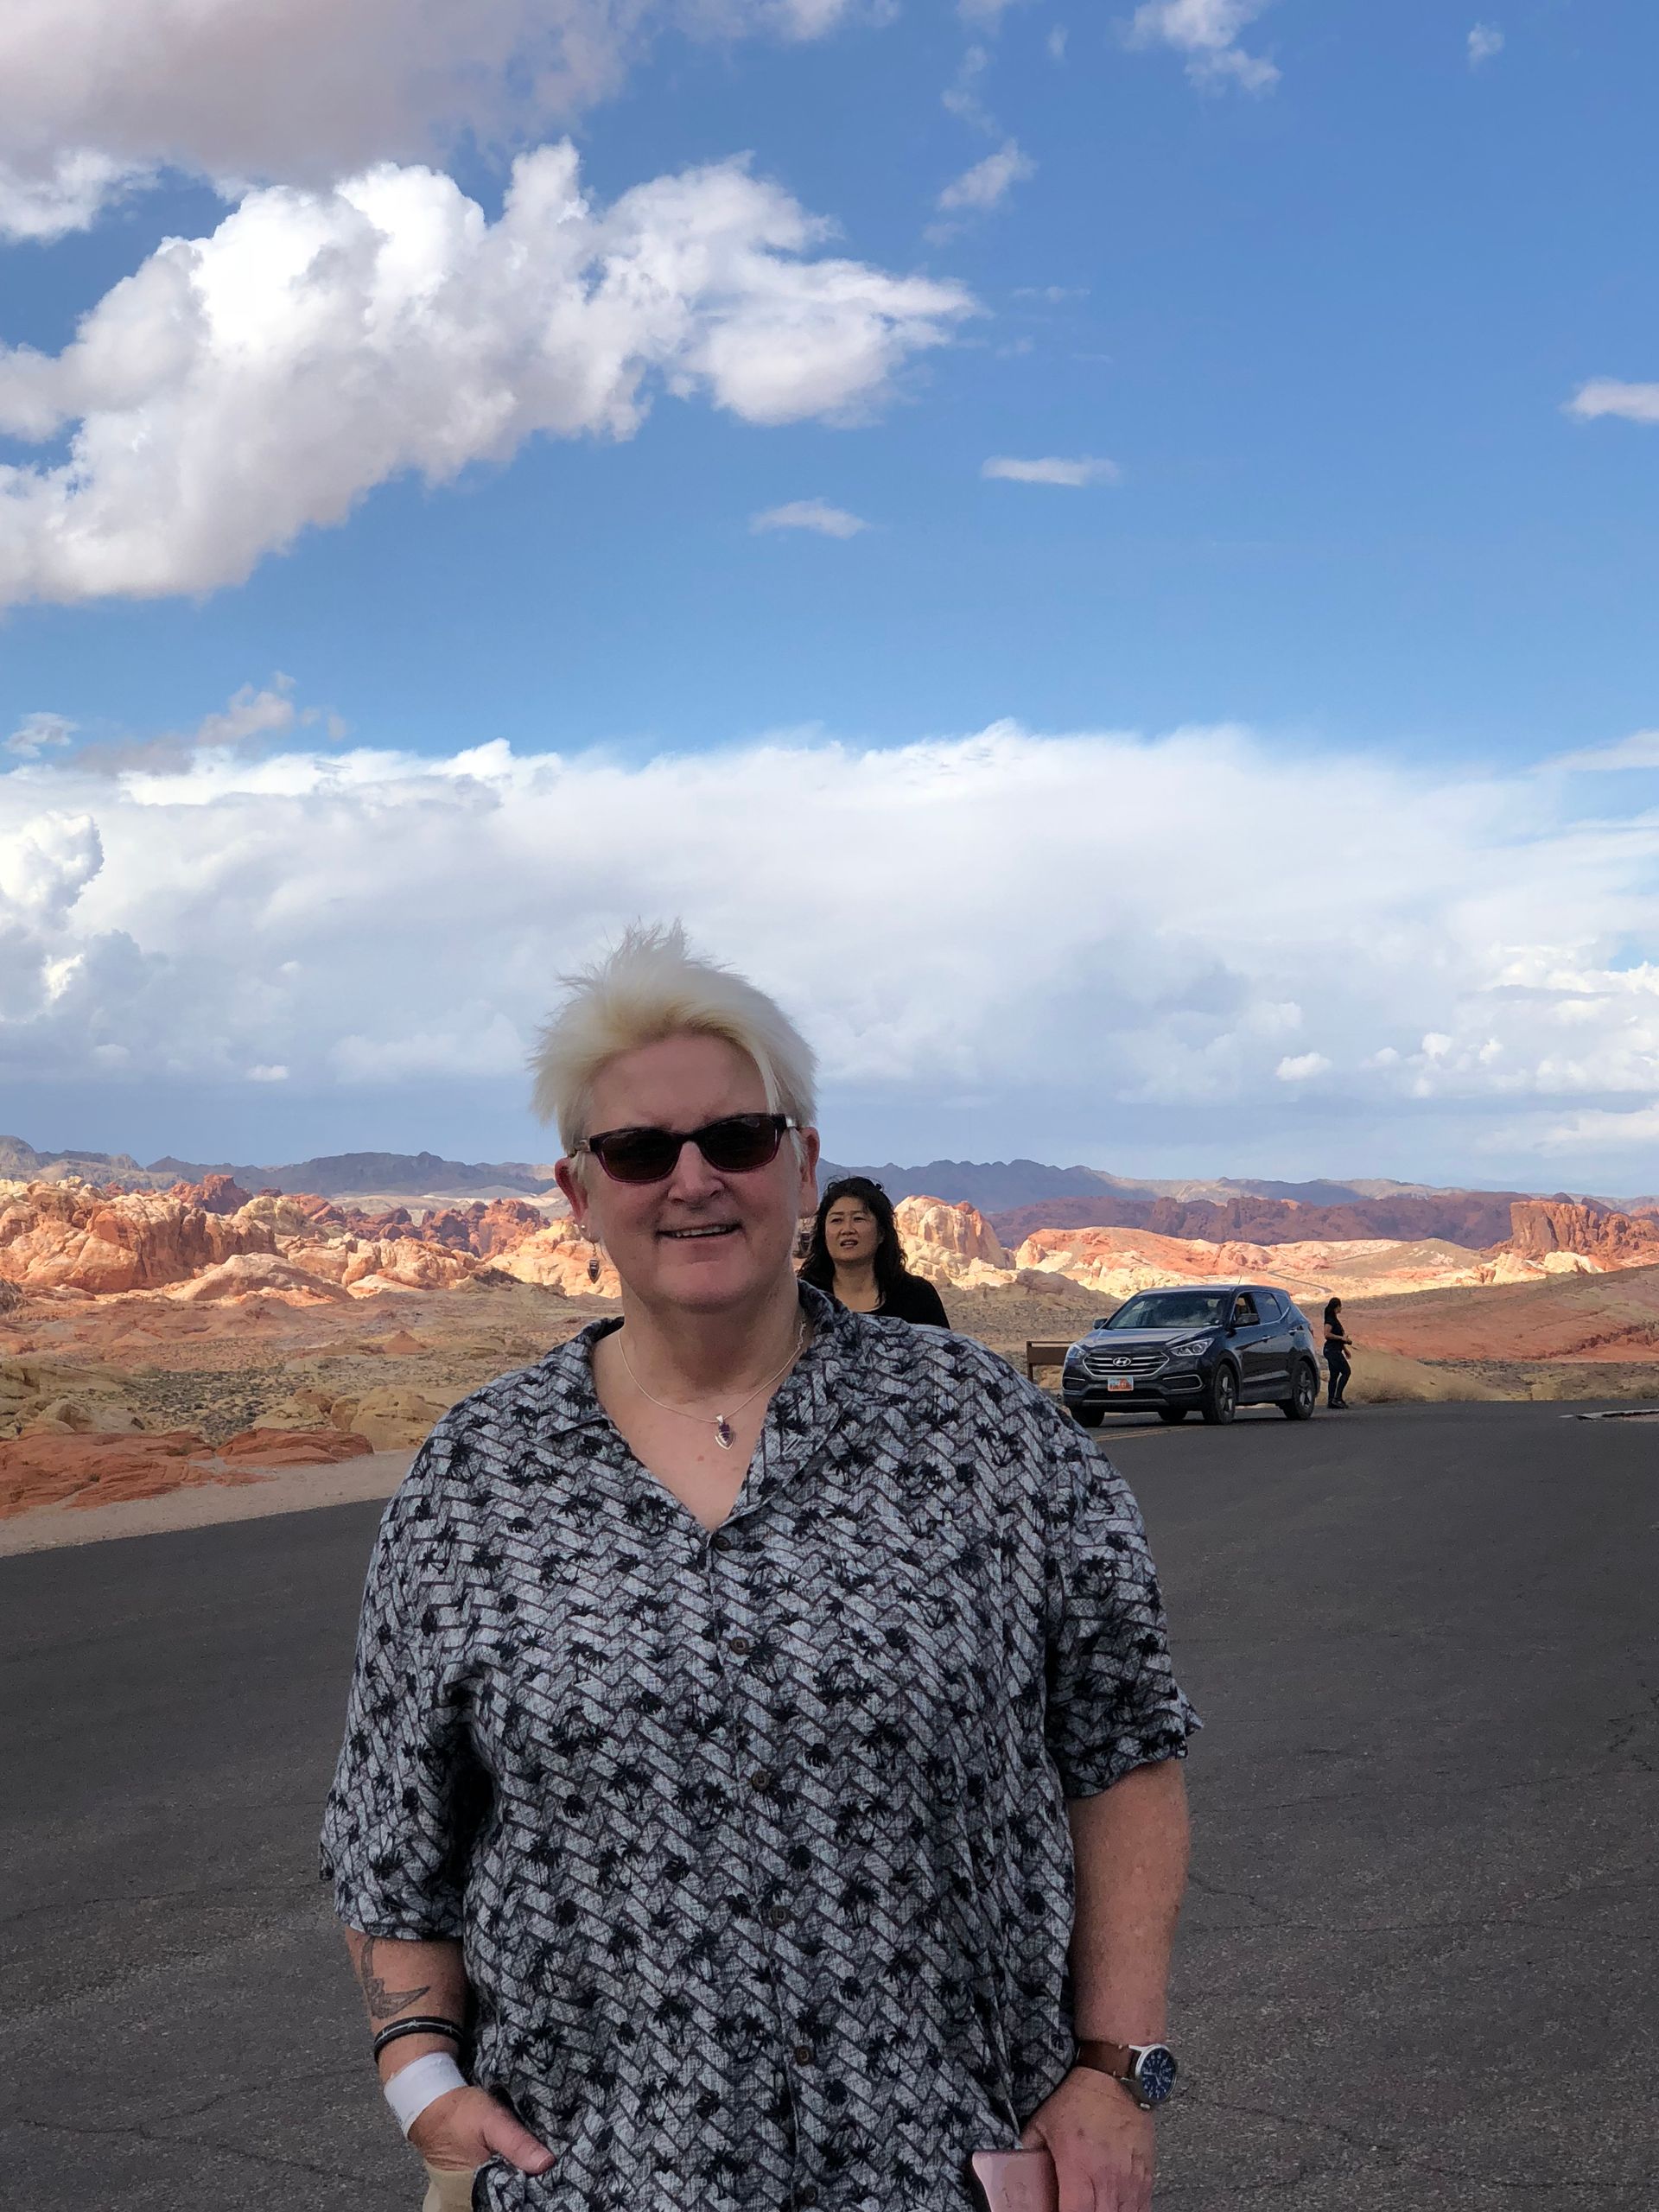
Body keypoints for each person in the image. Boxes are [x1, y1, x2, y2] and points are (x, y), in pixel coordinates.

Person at [321, 920, 1197, 2212]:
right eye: (637, 1151)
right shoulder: (481, 1475)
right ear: (579, 1194)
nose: (693, 1181)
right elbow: (393, 1827)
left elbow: (1124, 1748)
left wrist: (1114, 2068)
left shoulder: (980, 1431)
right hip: (599, 2180)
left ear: (801, 1162)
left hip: (946, 2166)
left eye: (736, 1139)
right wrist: (420, 2082)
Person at [798, 1173, 950, 1325]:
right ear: (823, 1234)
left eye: (858, 1219)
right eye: (836, 1220)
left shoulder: (917, 1297)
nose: (847, 1229)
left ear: (881, 1233)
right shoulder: (803, 1298)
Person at [1323, 1295, 1353, 1408]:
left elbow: (1340, 1338)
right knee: (1346, 1372)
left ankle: (1331, 1401)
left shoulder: (1334, 1319)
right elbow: (1327, 1334)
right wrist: (1342, 1339)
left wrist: (1345, 1349)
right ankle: (1337, 1398)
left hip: (1335, 1350)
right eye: (1341, 1306)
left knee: (1334, 1375)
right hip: (1332, 1351)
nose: (1342, 1308)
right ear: (1337, 1307)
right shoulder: (1330, 1319)